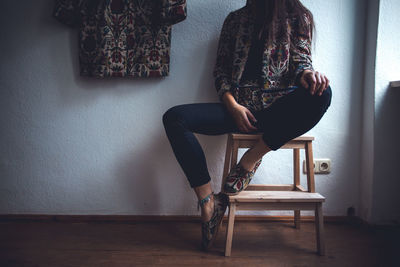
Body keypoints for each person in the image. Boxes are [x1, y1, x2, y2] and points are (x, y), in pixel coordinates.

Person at [162, 0, 331, 250]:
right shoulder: (235, 20)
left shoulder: (298, 16)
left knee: (324, 93)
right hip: (239, 110)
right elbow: (221, 72)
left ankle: (250, 160)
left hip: (278, 110)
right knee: (174, 118)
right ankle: (209, 203)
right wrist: (233, 107)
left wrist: (309, 75)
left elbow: (302, 62)